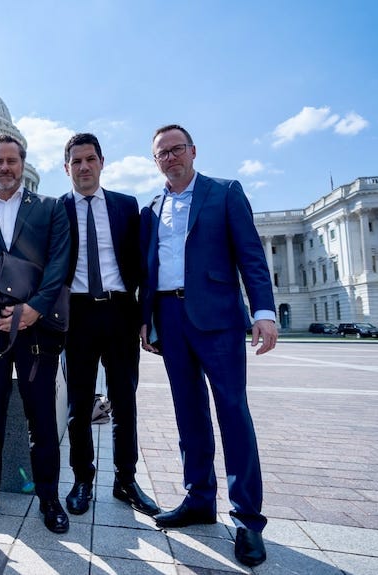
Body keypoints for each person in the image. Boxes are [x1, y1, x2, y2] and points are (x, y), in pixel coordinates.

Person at [139, 124, 277, 567]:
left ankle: (248, 519)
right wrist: (147, 322)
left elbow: (251, 255)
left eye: (177, 149)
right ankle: (198, 498)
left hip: (217, 317)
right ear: (155, 160)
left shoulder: (224, 192)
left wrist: (264, 311)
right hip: (171, 318)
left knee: (233, 413)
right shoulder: (152, 207)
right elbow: (149, 268)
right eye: (163, 153)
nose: (171, 158)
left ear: (193, 151)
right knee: (189, 415)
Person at [0, 134, 71, 534]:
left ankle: (50, 497)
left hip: (37, 332)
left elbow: (59, 262)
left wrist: (32, 310)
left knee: (41, 419)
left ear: (22, 164)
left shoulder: (51, 209)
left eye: (12, 161)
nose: (5, 168)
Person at [58, 133, 160, 517]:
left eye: (90, 159)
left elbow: (141, 264)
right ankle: (82, 479)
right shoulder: (58, 209)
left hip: (119, 311)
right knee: (79, 404)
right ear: (66, 168)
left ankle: (125, 480)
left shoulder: (125, 206)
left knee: (124, 400)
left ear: (101, 162)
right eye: (76, 161)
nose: (83, 167)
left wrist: (145, 315)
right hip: (78, 314)